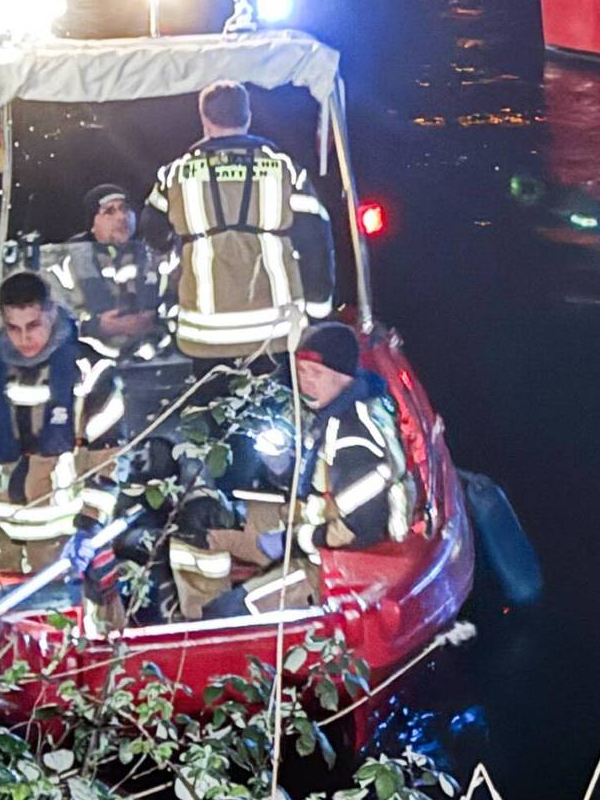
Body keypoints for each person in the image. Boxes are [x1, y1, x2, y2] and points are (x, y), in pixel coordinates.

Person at [193, 322, 413, 619]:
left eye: (316, 373)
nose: (306, 382)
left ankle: (212, 615)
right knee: (206, 520)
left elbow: (360, 529)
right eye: (301, 371)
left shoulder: (353, 438)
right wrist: (281, 468)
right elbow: (318, 485)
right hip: (315, 526)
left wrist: (290, 542)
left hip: (334, 565)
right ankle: (195, 599)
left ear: (343, 375)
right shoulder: (330, 411)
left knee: (226, 614)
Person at [144, 82, 334, 361]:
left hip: (203, 338)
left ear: (204, 119)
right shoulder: (286, 170)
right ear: (248, 116)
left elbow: (152, 236)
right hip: (277, 335)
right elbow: (316, 244)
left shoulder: (173, 175)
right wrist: (318, 311)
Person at [0, 272, 125, 573]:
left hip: (63, 544)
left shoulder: (90, 372)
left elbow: (108, 460)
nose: (24, 338)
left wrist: (90, 527)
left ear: (51, 312)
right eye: (13, 328)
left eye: (33, 326)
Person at [51, 184, 167, 357]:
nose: (121, 217)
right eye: (109, 211)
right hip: (88, 356)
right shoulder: (67, 260)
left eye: (125, 209)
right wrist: (95, 326)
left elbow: (172, 299)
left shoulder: (155, 253)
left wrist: (154, 319)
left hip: (153, 354)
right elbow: (54, 317)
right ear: (92, 224)